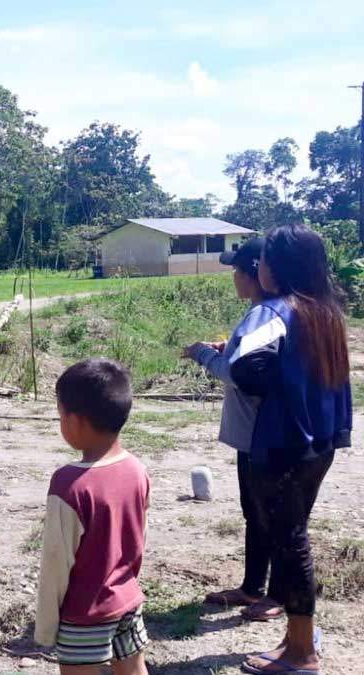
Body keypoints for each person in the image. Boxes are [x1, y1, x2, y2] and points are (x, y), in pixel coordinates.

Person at [228, 224, 352, 675]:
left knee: (289, 539)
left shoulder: (273, 313)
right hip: (320, 441)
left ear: (275, 268)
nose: (258, 268)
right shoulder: (326, 312)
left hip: (281, 441)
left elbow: (244, 366)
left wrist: (272, 388)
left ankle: (302, 652)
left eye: (263, 262)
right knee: (293, 531)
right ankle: (295, 639)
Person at [182, 238, 283, 622]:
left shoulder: (263, 315)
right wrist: (228, 347)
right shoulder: (261, 314)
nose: (234, 278)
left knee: (271, 515)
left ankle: (277, 595)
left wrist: (203, 353)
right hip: (253, 437)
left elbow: (238, 374)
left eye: (237, 271)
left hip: (264, 436)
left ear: (254, 272)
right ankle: (252, 588)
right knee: (254, 513)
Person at [36, 358, 151, 675]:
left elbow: (56, 563)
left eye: (60, 415)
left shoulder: (69, 485)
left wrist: (46, 627)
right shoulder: (136, 470)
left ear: (76, 421)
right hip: (128, 599)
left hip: (85, 615)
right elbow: (136, 541)